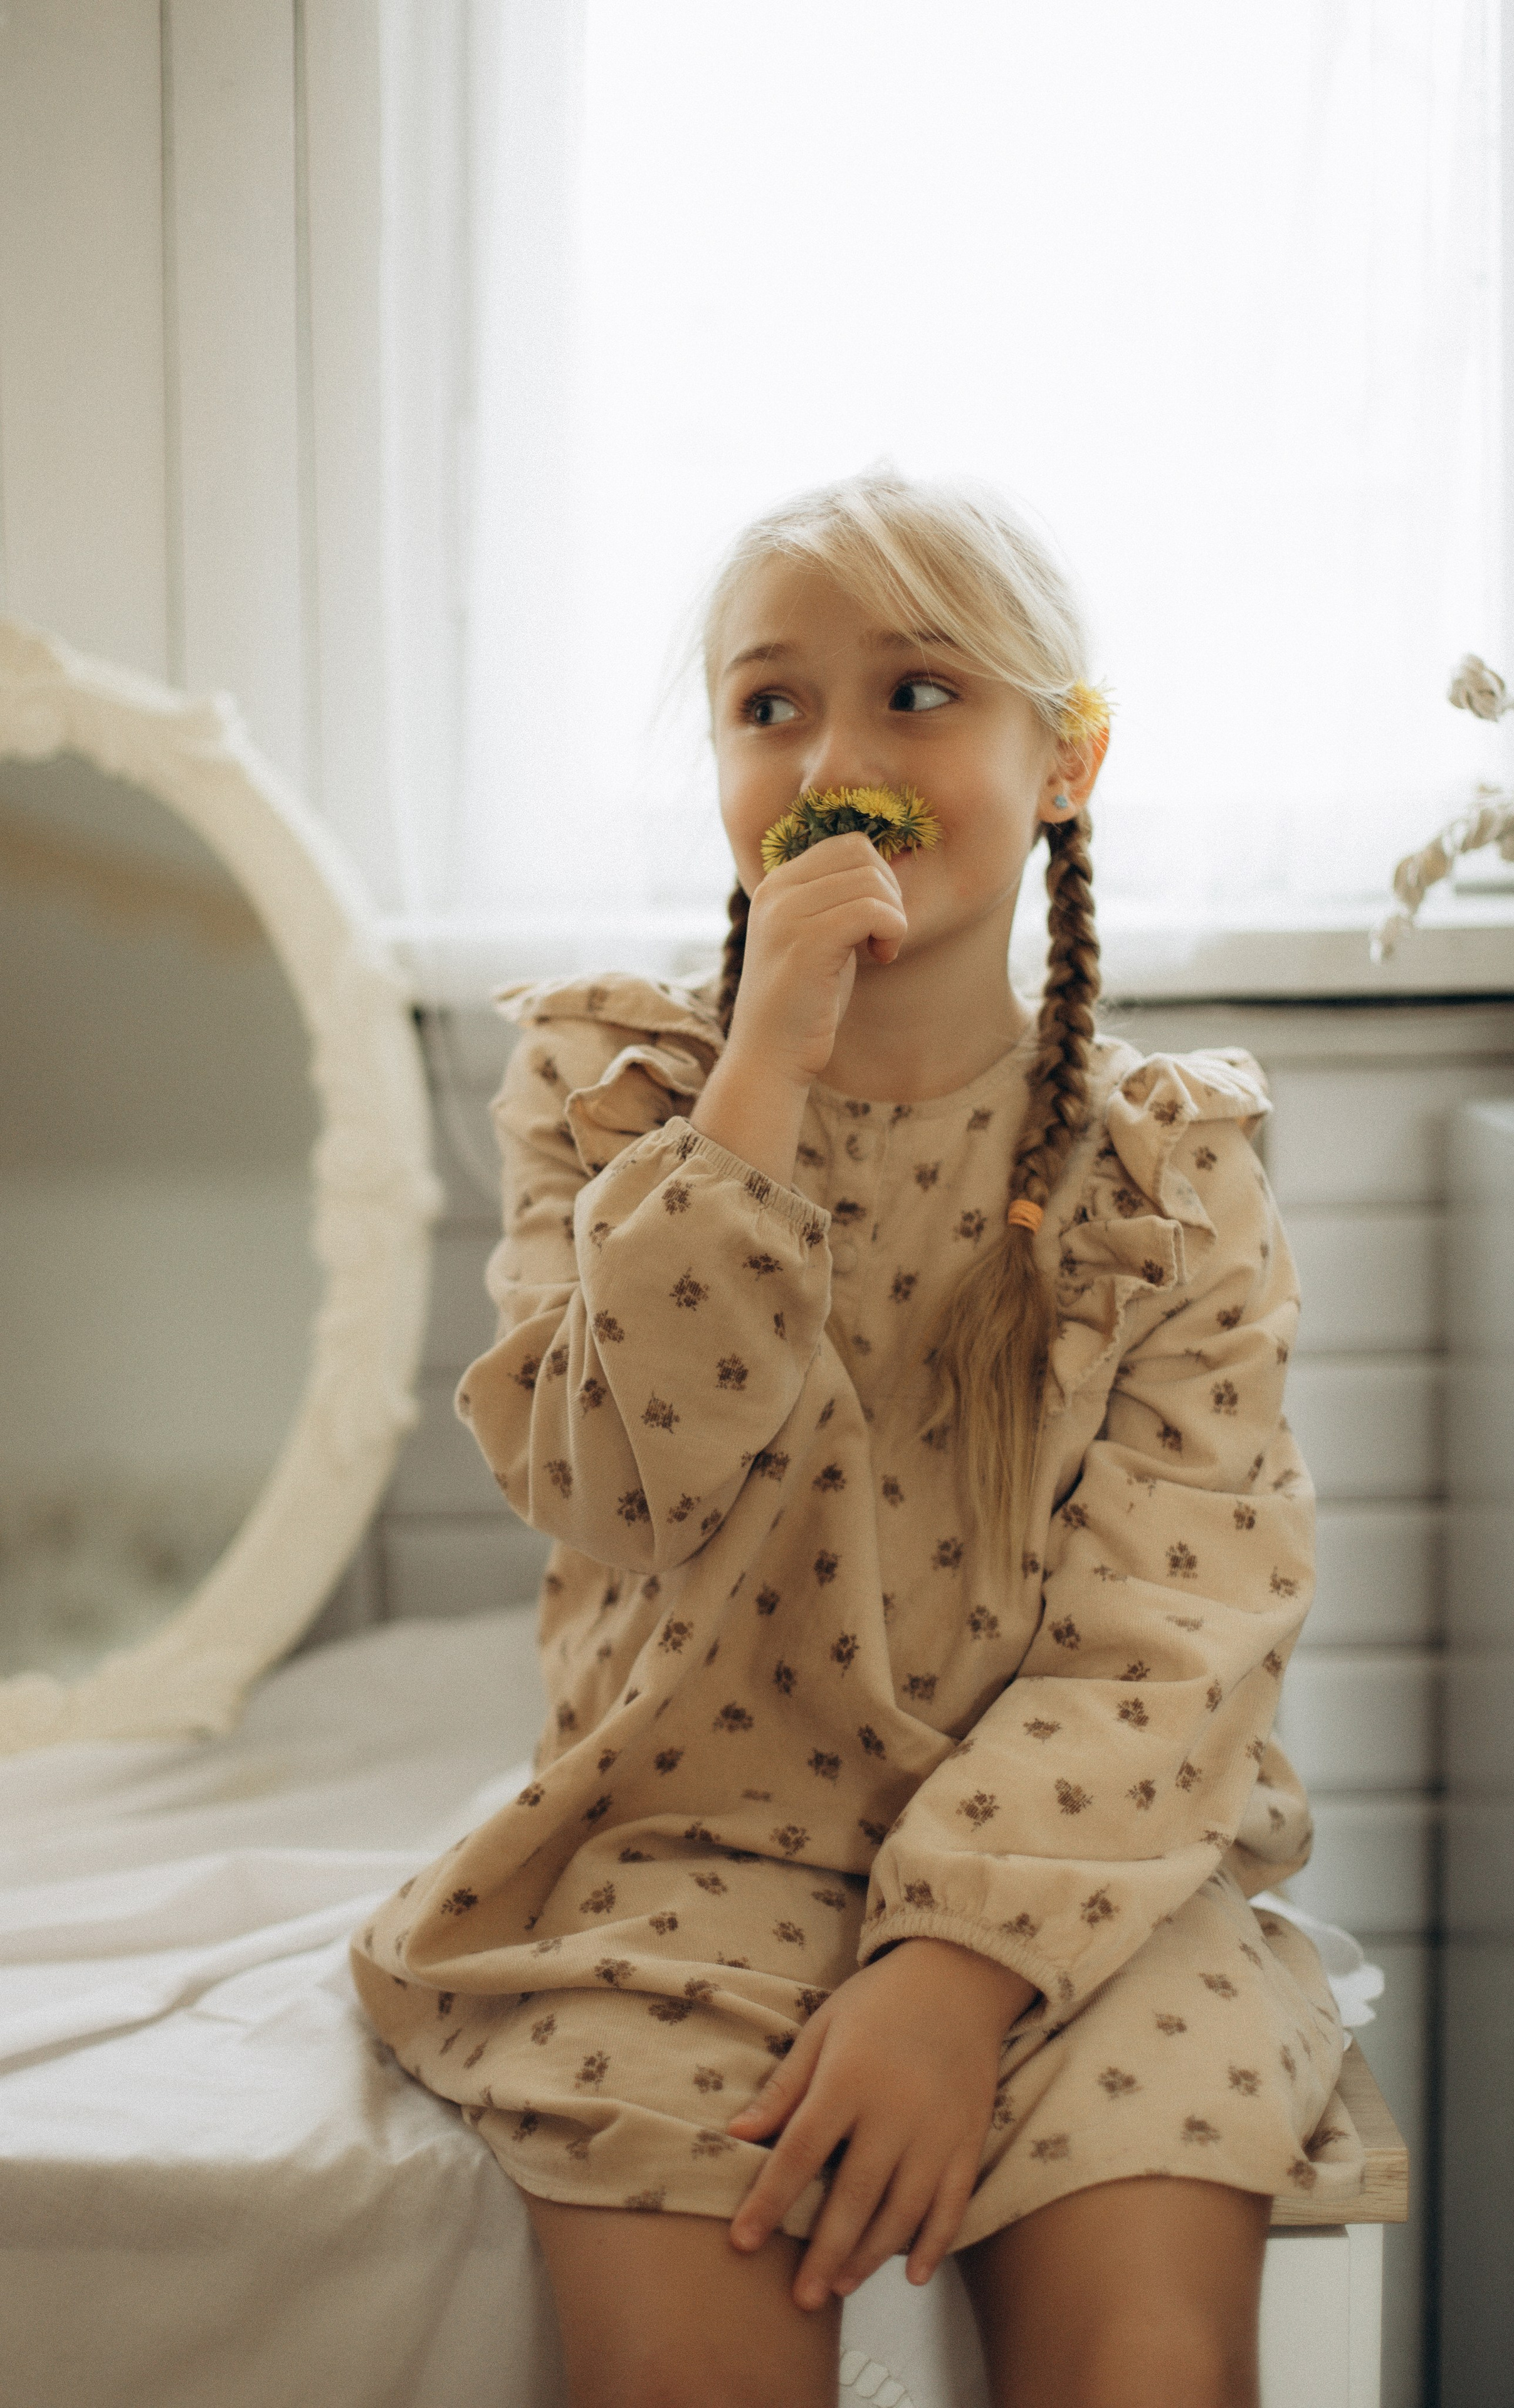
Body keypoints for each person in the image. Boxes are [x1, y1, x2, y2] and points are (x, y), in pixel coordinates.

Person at [350, 468, 1361, 2407]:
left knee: (1150, 2363)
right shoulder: (615, 1090)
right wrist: (756, 1091)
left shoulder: (1168, 1167)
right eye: (769, 707)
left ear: (1065, 760)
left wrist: (961, 1969)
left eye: (917, 694)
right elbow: (607, 1481)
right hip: (683, 1856)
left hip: (1082, 1880)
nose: (839, 757)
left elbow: (1186, 1620)